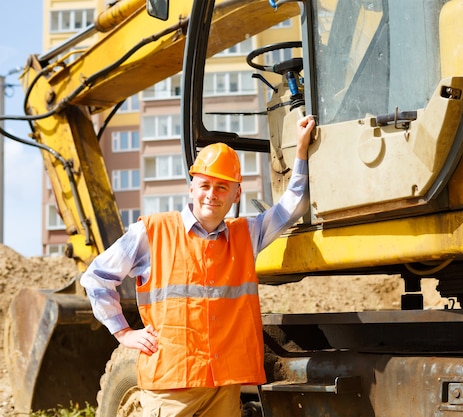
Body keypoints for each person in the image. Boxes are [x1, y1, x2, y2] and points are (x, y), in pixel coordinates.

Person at [80, 114, 316, 417]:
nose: (211, 194)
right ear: (192, 188)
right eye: (205, 185)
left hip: (223, 387)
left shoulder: (246, 235)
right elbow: (96, 277)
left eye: (222, 187)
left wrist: (299, 150)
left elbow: (292, 206)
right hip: (172, 388)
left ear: (236, 194)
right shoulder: (153, 232)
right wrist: (123, 333)